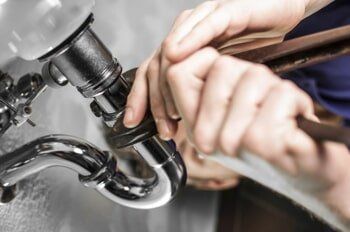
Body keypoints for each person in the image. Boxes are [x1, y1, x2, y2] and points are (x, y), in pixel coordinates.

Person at [124, 0, 350, 220]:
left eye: (196, 101)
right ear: (219, 182)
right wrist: (336, 193)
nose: (221, 111)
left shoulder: (291, 29)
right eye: (199, 151)